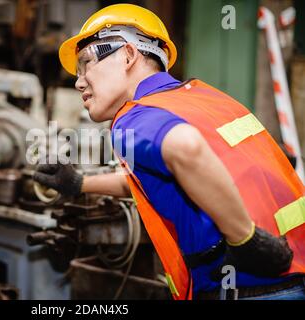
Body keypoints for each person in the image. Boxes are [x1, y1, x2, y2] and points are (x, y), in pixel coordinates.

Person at [33, 3, 305, 300]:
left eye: (86, 63)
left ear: (127, 55)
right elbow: (174, 170)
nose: (79, 81)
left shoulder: (133, 118)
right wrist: (80, 183)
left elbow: (185, 147)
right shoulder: (205, 98)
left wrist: (245, 239)